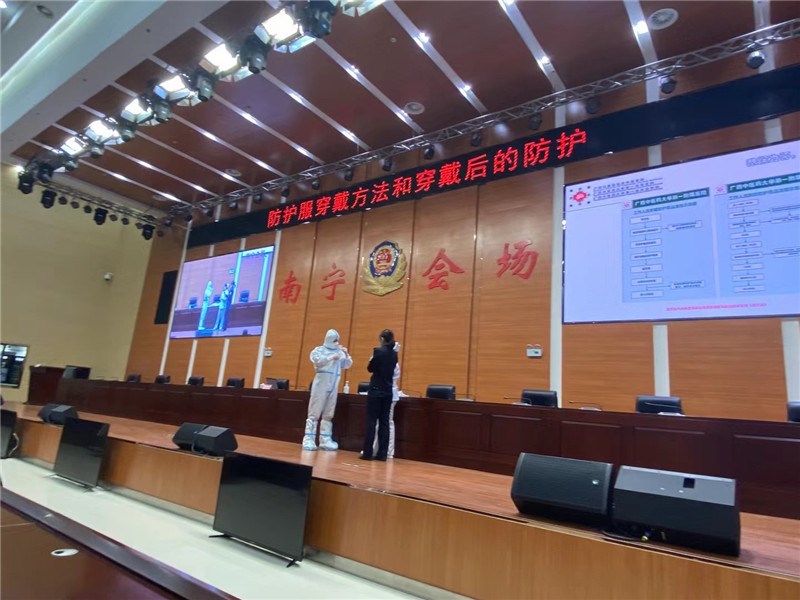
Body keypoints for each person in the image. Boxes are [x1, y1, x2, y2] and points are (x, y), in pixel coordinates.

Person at [302, 329, 353, 451]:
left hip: (333, 385)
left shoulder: (339, 352)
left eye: (337, 340)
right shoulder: (319, 350)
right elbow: (318, 362)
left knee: (329, 413)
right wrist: (331, 357)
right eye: (334, 340)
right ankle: (309, 438)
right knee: (314, 412)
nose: (336, 342)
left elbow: (347, 364)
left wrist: (346, 354)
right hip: (321, 385)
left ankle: (325, 439)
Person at [361, 329, 398, 461]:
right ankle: (382, 454)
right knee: (384, 422)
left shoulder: (378, 352)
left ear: (382, 339)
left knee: (371, 421)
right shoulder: (394, 354)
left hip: (376, 391)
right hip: (388, 391)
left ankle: (367, 453)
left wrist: (373, 358)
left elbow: (370, 368)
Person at [373, 344, 401, 458]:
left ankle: (388, 451)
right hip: (387, 393)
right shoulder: (392, 362)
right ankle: (377, 449)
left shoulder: (392, 363)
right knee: (381, 423)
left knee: (387, 423)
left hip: (389, 394)